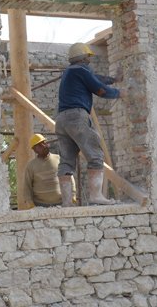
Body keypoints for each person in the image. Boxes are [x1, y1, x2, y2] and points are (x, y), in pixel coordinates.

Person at [55, 43, 122, 206]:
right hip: (77, 116)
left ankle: (66, 202)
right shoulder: (81, 70)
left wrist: (113, 80)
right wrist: (119, 93)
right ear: (83, 57)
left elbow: (95, 78)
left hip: (61, 119)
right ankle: (96, 196)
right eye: (88, 57)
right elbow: (100, 90)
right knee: (95, 155)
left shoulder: (70, 72)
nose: (89, 60)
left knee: (66, 161)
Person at [20, 134, 76, 209]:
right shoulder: (31, 166)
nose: (43, 146)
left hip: (61, 204)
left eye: (44, 142)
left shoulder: (59, 159)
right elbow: (27, 187)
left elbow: (69, 177)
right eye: (39, 145)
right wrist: (30, 204)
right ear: (34, 149)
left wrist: (73, 195)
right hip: (40, 206)